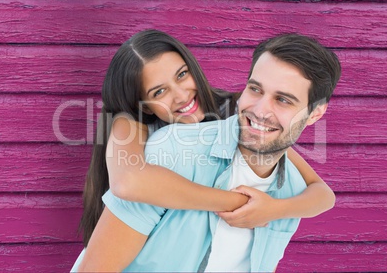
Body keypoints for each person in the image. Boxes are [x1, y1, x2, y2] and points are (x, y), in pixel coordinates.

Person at [74, 31, 337, 270]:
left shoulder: (237, 109)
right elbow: (128, 182)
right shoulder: (136, 126)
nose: (181, 96)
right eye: (159, 91)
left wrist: (275, 210)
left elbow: (319, 190)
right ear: (142, 104)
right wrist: (240, 204)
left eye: (182, 75)